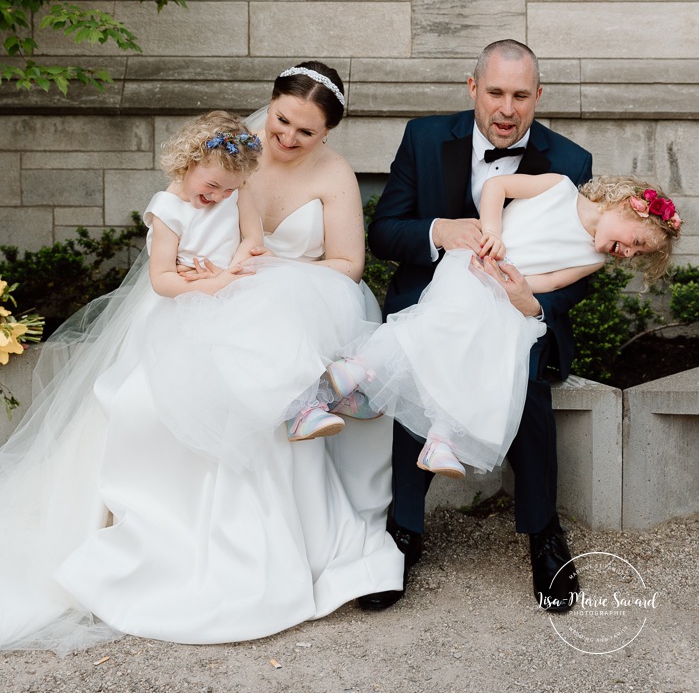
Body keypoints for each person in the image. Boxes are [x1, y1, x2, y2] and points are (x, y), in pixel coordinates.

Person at [0, 63, 403, 653]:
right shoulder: (230, 155)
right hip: (206, 299)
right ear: (269, 105)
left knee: (260, 369)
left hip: (305, 300)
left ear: (328, 135)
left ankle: (281, 529)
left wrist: (262, 273)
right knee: (152, 395)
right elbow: (188, 231)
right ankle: (166, 535)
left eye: (305, 133)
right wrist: (202, 272)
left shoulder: (336, 174)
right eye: (282, 121)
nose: (286, 138)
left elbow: (347, 265)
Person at [354, 38, 596, 615]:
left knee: (527, 372)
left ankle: (543, 531)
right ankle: (403, 531)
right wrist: (442, 231)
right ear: (472, 89)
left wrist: (532, 307)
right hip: (435, 297)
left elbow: (583, 264)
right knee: (427, 352)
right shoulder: (424, 136)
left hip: (517, 309)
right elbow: (385, 231)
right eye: (494, 93)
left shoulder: (571, 162)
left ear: (538, 96)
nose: (506, 109)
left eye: (520, 95)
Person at [328, 172, 681, 487]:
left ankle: (442, 438)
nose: (629, 253)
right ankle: (359, 367)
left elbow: (553, 280)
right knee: (439, 324)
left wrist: (517, 287)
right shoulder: (559, 188)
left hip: (506, 293)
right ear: (626, 206)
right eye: (635, 241)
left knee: (498, 358)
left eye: (638, 254)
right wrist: (491, 233)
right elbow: (498, 185)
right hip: (474, 264)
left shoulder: (594, 259)